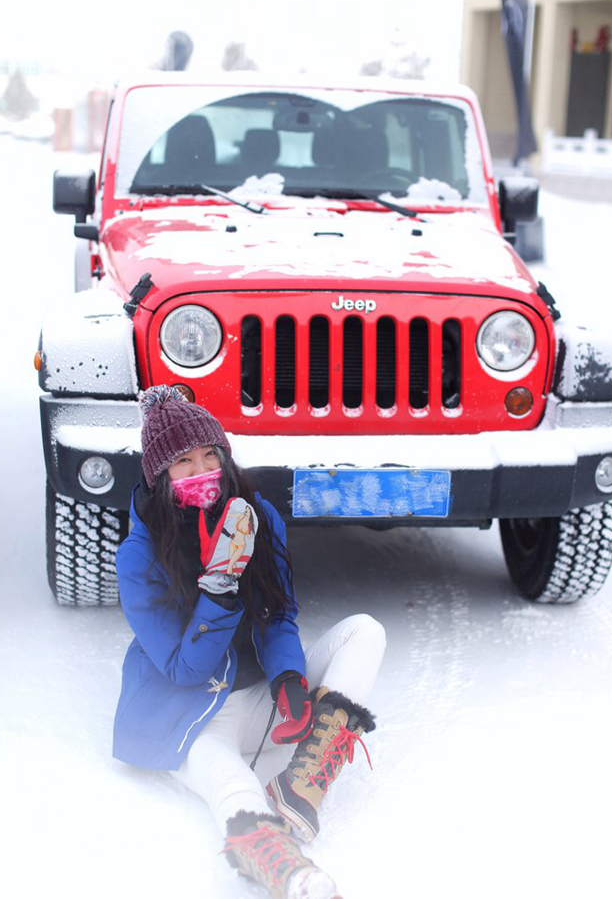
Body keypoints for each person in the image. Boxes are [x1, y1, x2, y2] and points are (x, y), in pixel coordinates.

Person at [113, 385, 386, 899]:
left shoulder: (255, 515)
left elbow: (278, 611)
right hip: (193, 715)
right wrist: (217, 591)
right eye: (183, 463)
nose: (202, 471)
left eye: (209, 454)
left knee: (364, 631)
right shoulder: (138, 556)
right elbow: (183, 669)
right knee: (229, 783)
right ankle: (288, 872)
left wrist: (288, 679)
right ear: (159, 479)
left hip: (259, 697)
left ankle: (300, 786)